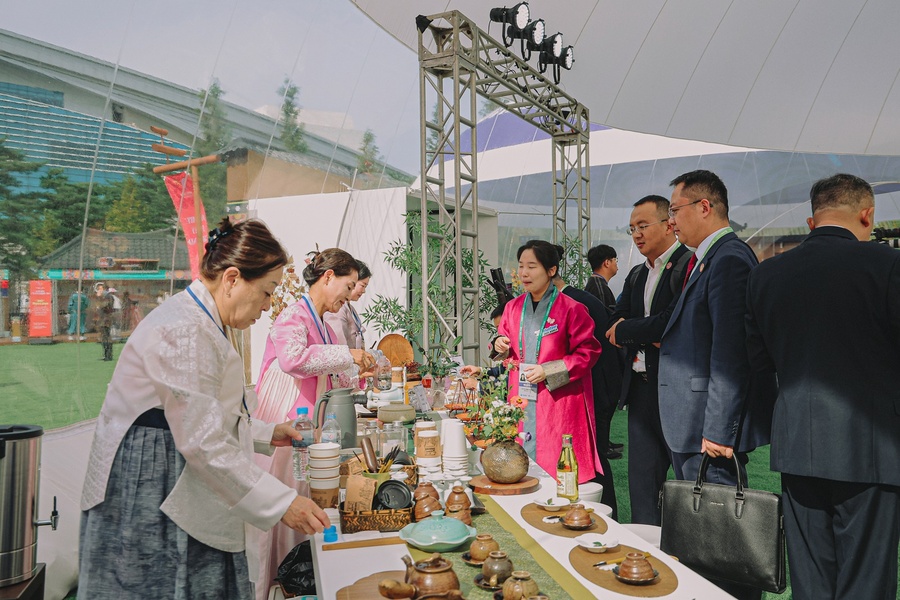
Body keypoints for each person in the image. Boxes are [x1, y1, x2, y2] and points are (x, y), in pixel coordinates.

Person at [77, 218, 330, 600]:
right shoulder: (185, 328)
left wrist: (267, 433)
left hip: (179, 469)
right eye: (266, 292)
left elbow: (206, 413)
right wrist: (282, 503)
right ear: (231, 278)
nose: (268, 306)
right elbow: (202, 439)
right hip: (153, 483)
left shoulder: (206, 320)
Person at [746, 174, 900, 600]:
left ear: (812, 220)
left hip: (798, 443)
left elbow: (757, 364)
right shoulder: (888, 265)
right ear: (867, 214)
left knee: (810, 580)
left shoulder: (766, 275)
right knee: (867, 580)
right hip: (872, 448)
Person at [657, 170, 776, 600]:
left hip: (707, 429)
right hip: (691, 423)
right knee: (703, 540)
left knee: (721, 541)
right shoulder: (707, 258)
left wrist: (719, 428)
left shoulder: (728, 259)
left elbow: (731, 352)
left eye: (675, 211)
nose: (672, 221)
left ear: (704, 207)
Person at [252, 248, 374, 599]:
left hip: (308, 424)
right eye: (348, 285)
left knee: (303, 499)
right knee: (283, 504)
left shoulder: (322, 323)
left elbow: (331, 371)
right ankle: (276, 582)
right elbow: (293, 360)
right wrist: (348, 356)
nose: (350, 294)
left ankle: (298, 578)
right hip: (285, 420)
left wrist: (357, 371)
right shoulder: (293, 315)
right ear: (327, 277)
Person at [605, 195, 691, 525]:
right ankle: (646, 560)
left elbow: (671, 323)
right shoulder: (638, 274)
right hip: (640, 391)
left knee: (686, 486)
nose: (637, 234)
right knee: (642, 485)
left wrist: (631, 329)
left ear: (669, 223)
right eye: (631, 229)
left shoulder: (688, 265)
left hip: (677, 391)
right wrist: (641, 331)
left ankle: (688, 563)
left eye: (643, 226)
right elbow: (614, 321)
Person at [492, 240, 603, 484]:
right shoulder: (512, 308)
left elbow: (589, 351)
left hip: (557, 403)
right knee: (519, 468)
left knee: (558, 469)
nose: (524, 273)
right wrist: (499, 343)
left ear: (551, 271)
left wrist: (549, 370)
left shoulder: (572, 309)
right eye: (521, 266)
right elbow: (504, 341)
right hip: (520, 398)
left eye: (532, 266)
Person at [549, 245, 620, 518]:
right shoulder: (563, 301)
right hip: (587, 392)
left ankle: (606, 517)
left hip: (595, 394)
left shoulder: (576, 303)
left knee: (595, 460)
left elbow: (586, 356)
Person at [324, 259, 371, 349]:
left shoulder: (350, 308)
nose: (364, 291)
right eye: (363, 285)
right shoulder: (338, 308)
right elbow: (338, 342)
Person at [584, 244, 618, 309]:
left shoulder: (594, 283)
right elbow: (604, 317)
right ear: (607, 263)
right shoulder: (600, 289)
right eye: (615, 260)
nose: (616, 263)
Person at [93, 282, 115, 361]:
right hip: (103, 320)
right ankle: (106, 355)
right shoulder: (106, 296)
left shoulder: (108, 296)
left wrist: (99, 298)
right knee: (104, 337)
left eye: (100, 289)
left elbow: (105, 306)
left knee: (106, 337)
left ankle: (108, 356)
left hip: (106, 320)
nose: (99, 291)